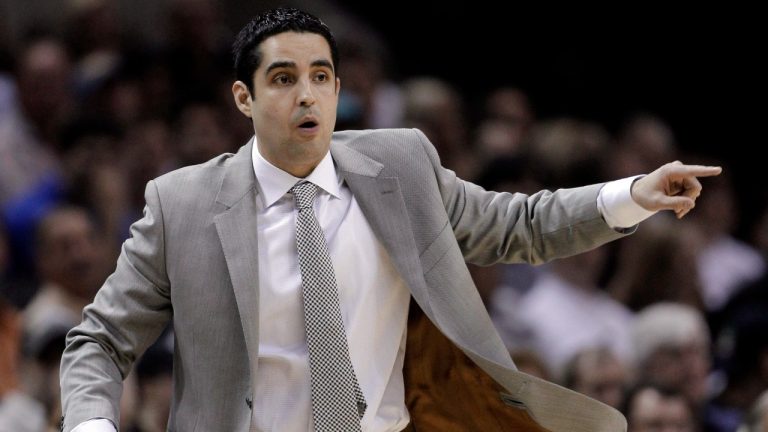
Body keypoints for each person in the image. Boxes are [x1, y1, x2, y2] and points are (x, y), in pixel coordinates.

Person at [59, 7, 722, 432]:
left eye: (321, 76)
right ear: (244, 97)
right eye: (283, 79)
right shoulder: (182, 203)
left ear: (338, 89)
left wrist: (635, 193)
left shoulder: (401, 165)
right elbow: (100, 340)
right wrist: (92, 426)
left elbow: (518, 225)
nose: (307, 94)